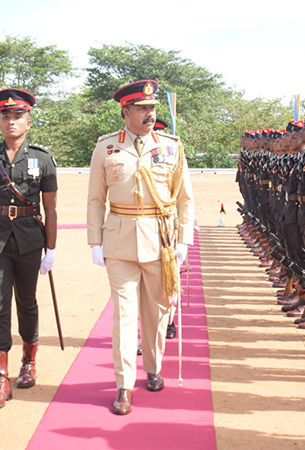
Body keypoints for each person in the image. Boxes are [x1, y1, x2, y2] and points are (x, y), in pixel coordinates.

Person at [87, 79, 194, 415]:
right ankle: (123, 385)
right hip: (118, 239)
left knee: (158, 312)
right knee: (123, 315)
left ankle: (154, 366)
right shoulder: (106, 148)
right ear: (126, 111)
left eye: (153, 108)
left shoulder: (171, 147)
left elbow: (185, 200)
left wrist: (184, 242)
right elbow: (95, 199)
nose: (150, 114)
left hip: (161, 240)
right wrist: (94, 241)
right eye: (143, 108)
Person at [0, 88, 58, 410]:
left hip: (29, 239)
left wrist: (51, 248)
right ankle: (1, 380)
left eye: (17, 116)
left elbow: (51, 208)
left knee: (28, 302)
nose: (11, 122)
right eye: (5, 117)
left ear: (28, 121)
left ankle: (28, 362)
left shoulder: (42, 158)